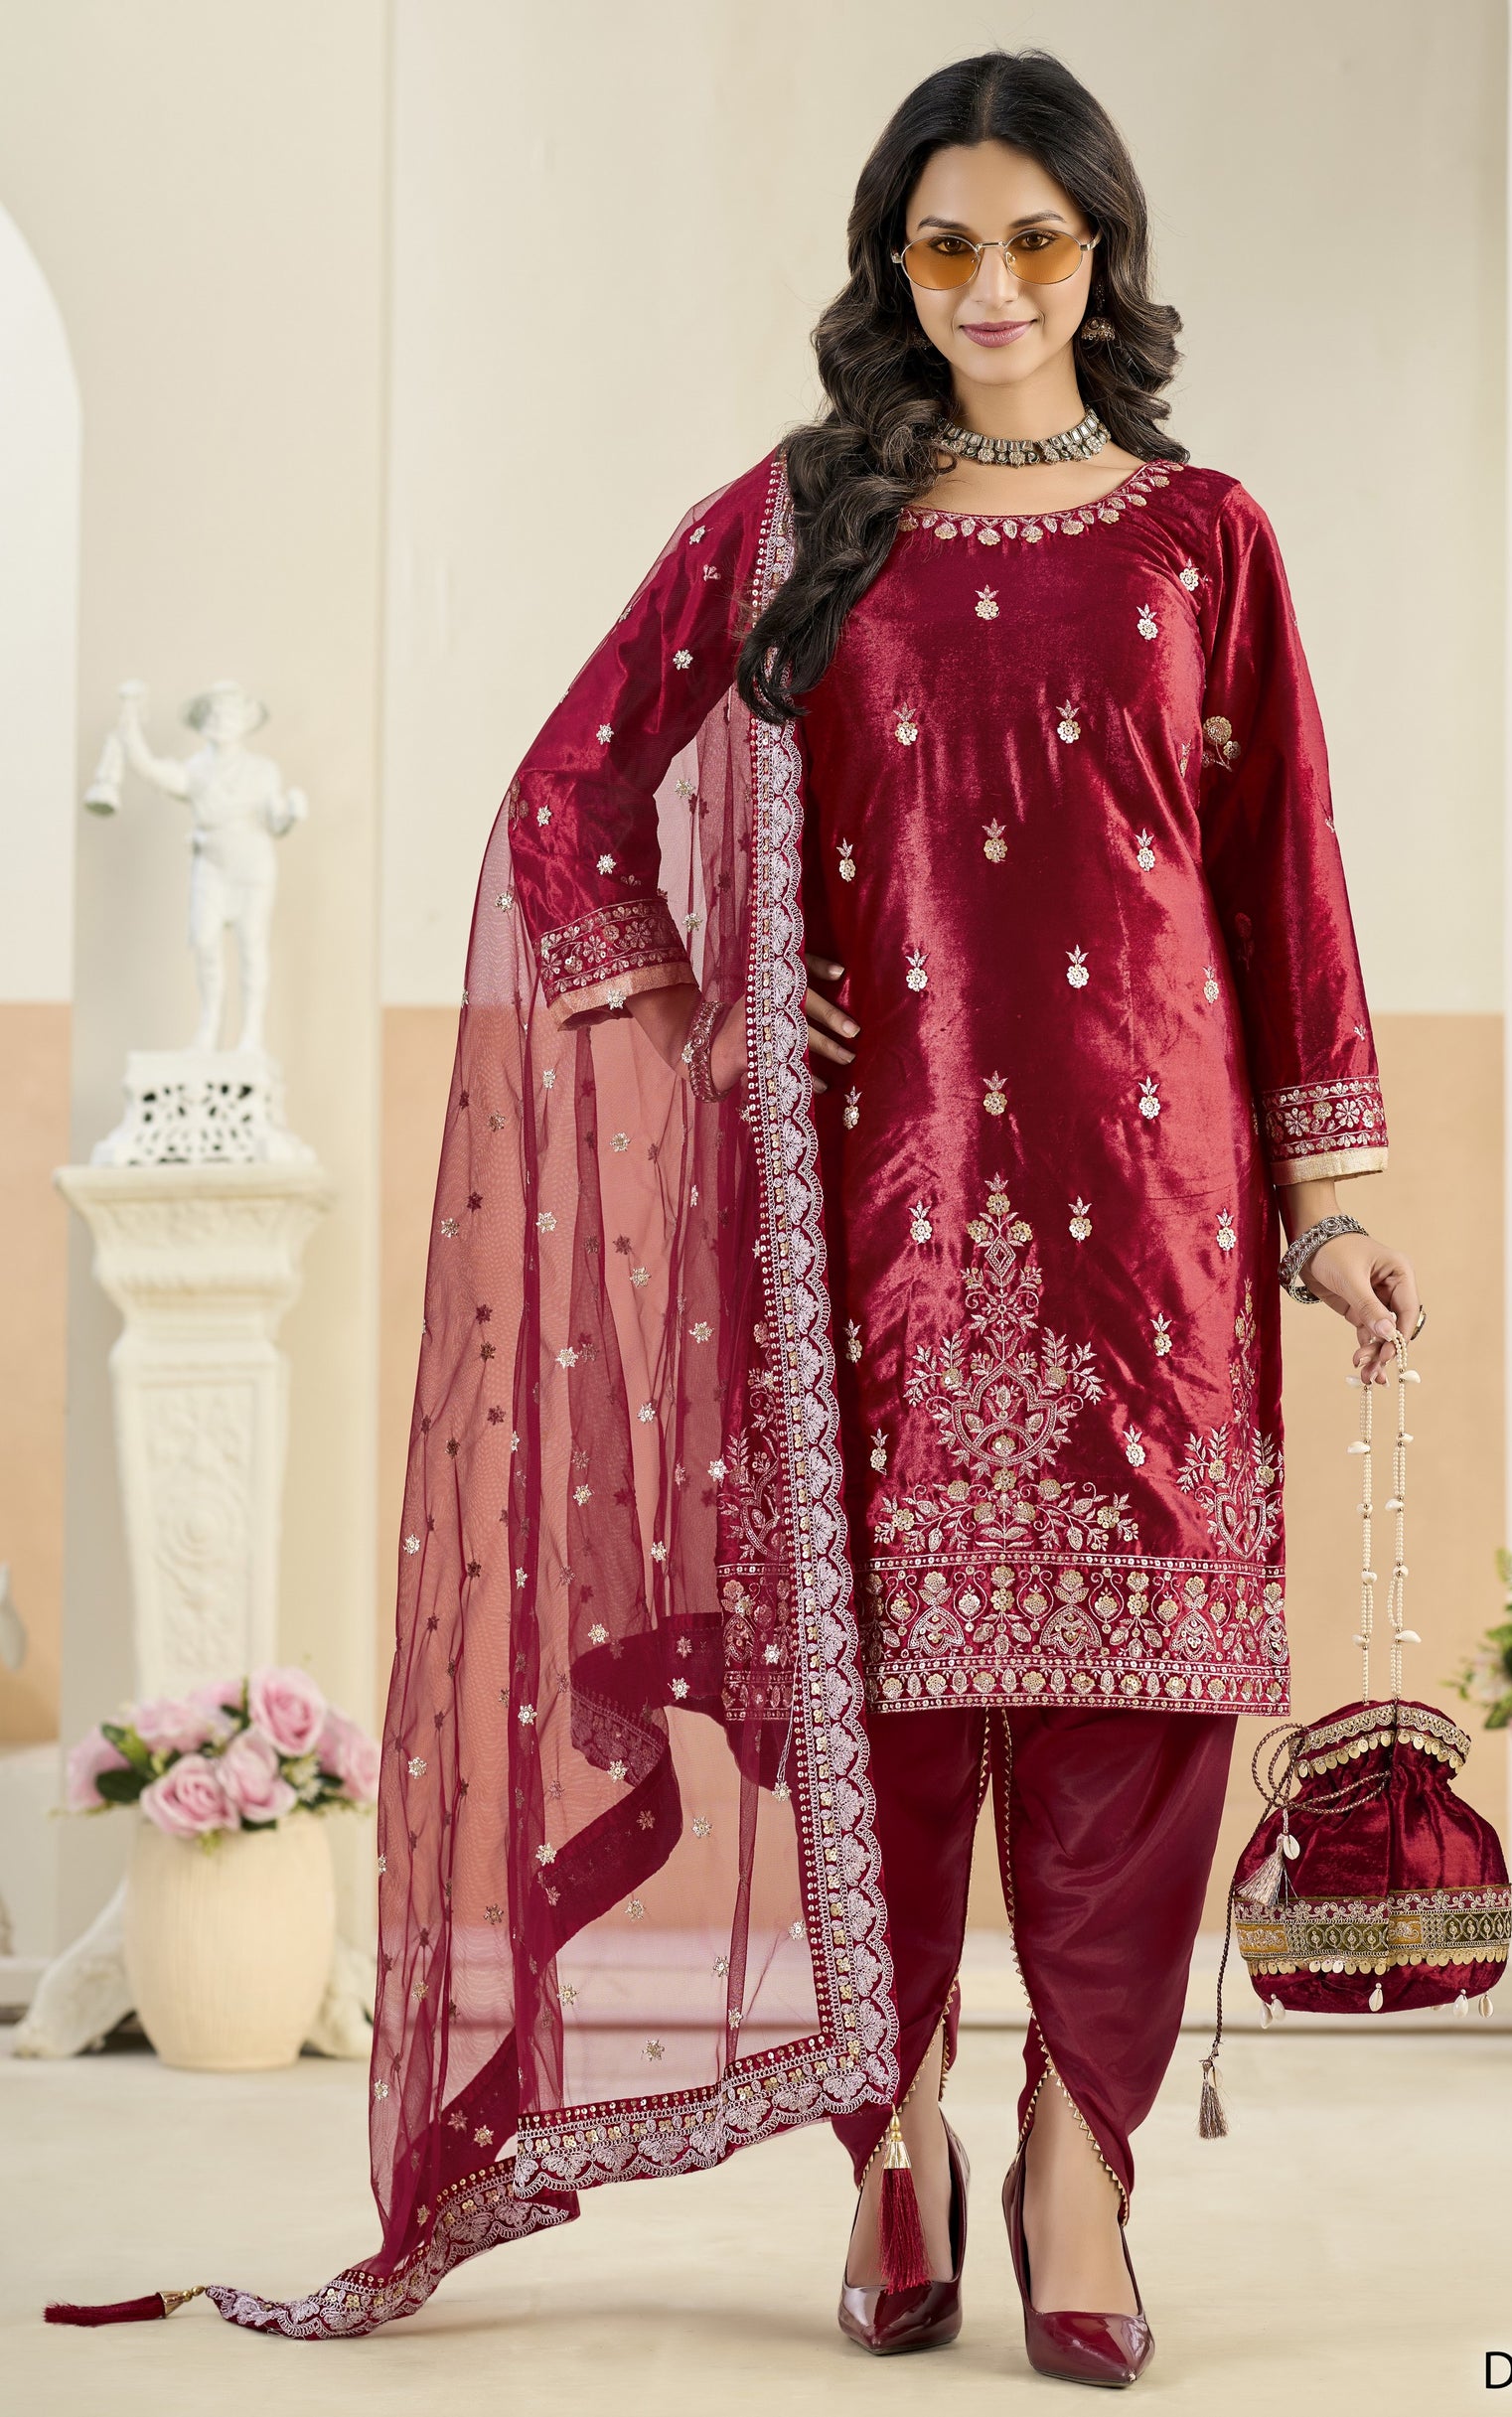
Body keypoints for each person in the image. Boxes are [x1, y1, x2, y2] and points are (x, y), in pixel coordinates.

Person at [56, 48, 1417, 2388]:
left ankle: (1079, 2150)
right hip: (862, 1211)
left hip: (1156, 1206)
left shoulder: (1210, 536)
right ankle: (888, 2133)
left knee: (1133, 1707)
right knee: (867, 1713)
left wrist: (1335, 1196)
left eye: (1035, 240)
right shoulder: (799, 522)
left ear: (1104, 255)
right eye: (944, 244)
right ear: (893, 269)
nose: (992, 287)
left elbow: (1282, 872)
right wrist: (695, 1002)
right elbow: (570, 789)